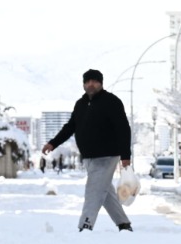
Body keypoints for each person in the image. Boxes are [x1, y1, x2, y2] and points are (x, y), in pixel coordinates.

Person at [43, 69, 134, 232]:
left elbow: (123, 129)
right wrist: (53, 143)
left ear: (101, 83)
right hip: (89, 157)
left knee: (93, 190)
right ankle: (123, 223)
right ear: (84, 84)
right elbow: (70, 127)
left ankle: (85, 225)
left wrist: (125, 155)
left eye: (95, 81)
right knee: (104, 192)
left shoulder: (112, 101)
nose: (91, 84)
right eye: (88, 81)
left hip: (107, 155)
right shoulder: (81, 104)